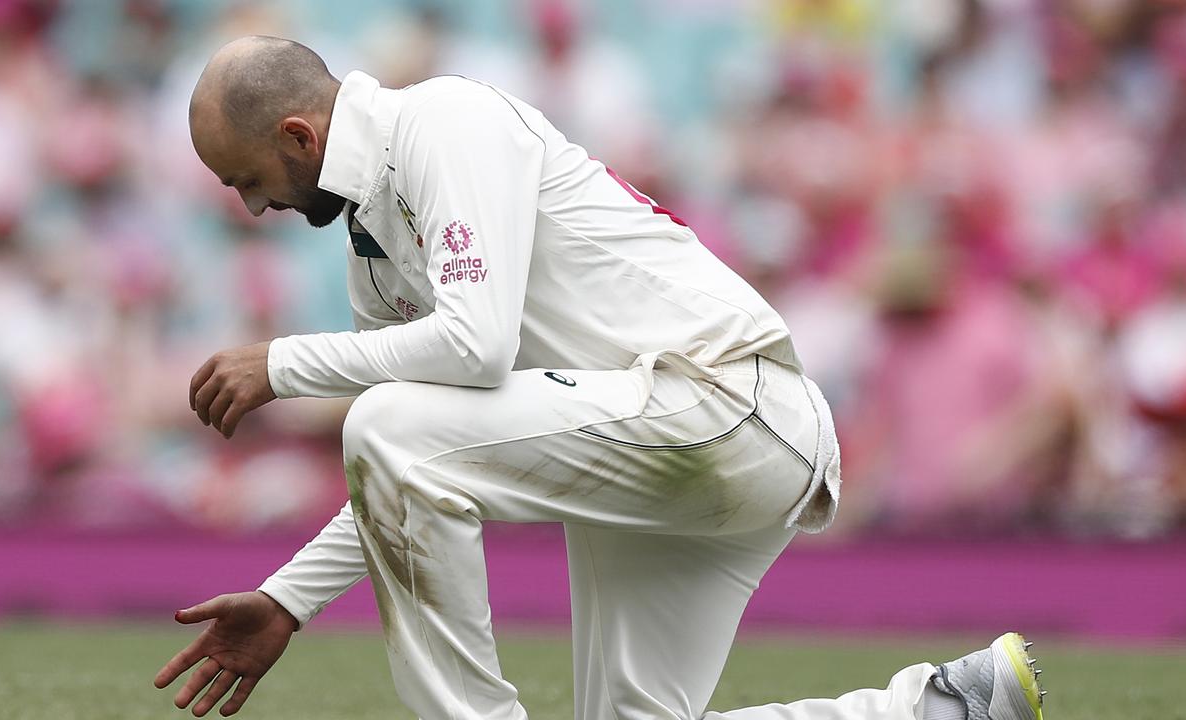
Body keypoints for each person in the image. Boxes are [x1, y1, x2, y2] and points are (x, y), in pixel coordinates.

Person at [154, 36, 1046, 720]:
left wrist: (280, 363)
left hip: (723, 402)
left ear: (299, 135)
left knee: (385, 421)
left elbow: (473, 350)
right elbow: (399, 470)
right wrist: (288, 600)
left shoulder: (442, 120)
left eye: (249, 180)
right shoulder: (373, 252)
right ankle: (940, 705)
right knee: (391, 430)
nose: (252, 207)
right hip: (662, 441)